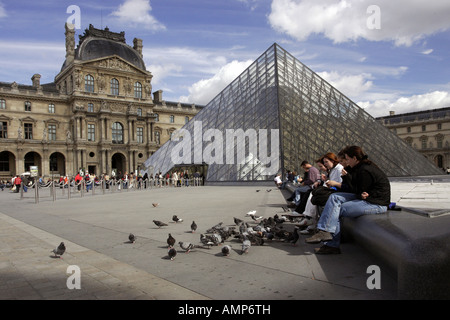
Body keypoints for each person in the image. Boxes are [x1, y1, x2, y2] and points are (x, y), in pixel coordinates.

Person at [305, 146, 391, 254]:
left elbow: (358, 190)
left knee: (335, 210)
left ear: (354, 158)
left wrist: (347, 178)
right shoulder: (357, 168)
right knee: (334, 198)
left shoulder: (365, 170)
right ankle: (325, 232)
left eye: (347, 159)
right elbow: (356, 189)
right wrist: (347, 177)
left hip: (376, 203)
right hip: (367, 198)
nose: (344, 162)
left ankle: (331, 243)